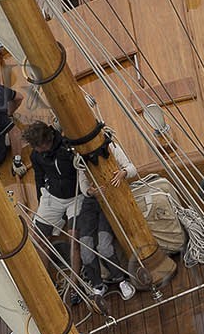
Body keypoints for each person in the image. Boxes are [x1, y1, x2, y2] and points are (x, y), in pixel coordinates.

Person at [74, 140, 138, 300]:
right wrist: (90, 191)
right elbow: (83, 185)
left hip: (111, 199)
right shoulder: (80, 156)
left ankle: (121, 280)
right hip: (91, 203)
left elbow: (132, 169)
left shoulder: (112, 147)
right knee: (86, 250)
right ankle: (97, 285)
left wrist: (123, 173)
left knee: (104, 246)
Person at [23, 120, 80, 244]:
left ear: (43, 144)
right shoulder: (36, 155)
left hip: (76, 196)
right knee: (38, 239)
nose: (35, 149)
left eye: (35, 146)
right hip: (53, 197)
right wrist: (40, 201)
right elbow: (39, 178)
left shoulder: (67, 148)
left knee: (74, 238)